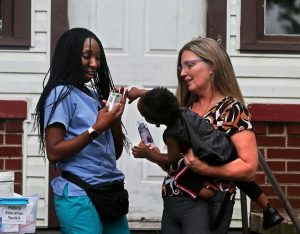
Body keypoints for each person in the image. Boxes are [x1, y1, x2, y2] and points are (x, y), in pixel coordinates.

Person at [127, 37, 283, 233]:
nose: (183, 73)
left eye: (189, 65)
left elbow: (248, 168)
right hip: (174, 202)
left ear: (212, 67)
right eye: (180, 67)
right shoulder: (184, 108)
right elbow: (174, 163)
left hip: (207, 205)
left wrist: (205, 169)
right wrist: (155, 154)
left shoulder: (232, 110)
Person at [134, 86, 284, 229]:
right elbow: (163, 98)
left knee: (181, 176)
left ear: (155, 121)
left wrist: (149, 154)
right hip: (225, 146)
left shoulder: (171, 135)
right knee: (243, 181)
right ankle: (269, 209)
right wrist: (140, 92)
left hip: (210, 158)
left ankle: (210, 196)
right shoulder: (184, 110)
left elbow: (171, 160)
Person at [34, 28, 130, 234]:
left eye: (98, 58)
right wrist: (96, 128)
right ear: (70, 56)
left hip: (109, 191)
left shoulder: (95, 96)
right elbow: (54, 151)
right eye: (87, 56)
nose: (95, 64)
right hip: (80, 194)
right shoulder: (60, 94)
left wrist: (114, 121)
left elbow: (115, 153)